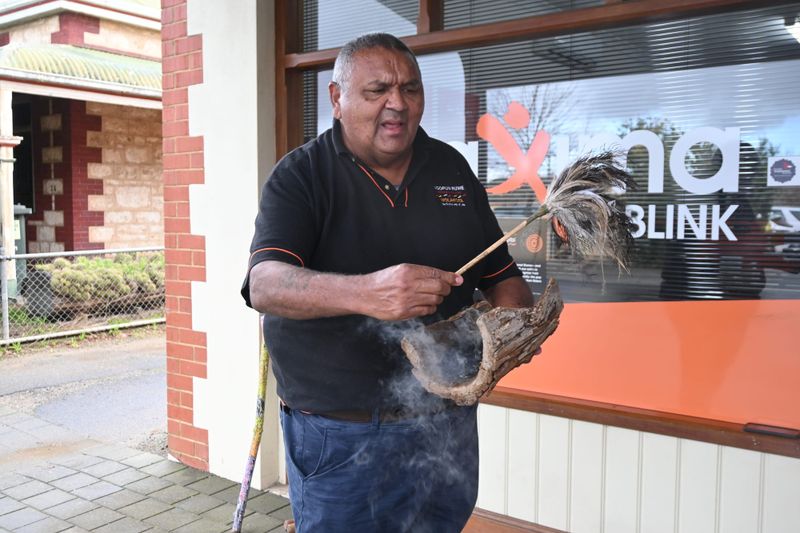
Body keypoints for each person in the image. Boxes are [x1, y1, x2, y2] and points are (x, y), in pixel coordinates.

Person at [241, 33, 533, 532]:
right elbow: (264, 284)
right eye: (377, 90)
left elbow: (504, 279)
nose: (397, 103)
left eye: (410, 89)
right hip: (342, 435)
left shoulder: (452, 170)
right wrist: (370, 293)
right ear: (337, 99)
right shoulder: (301, 176)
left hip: (448, 421)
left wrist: (513, 335)